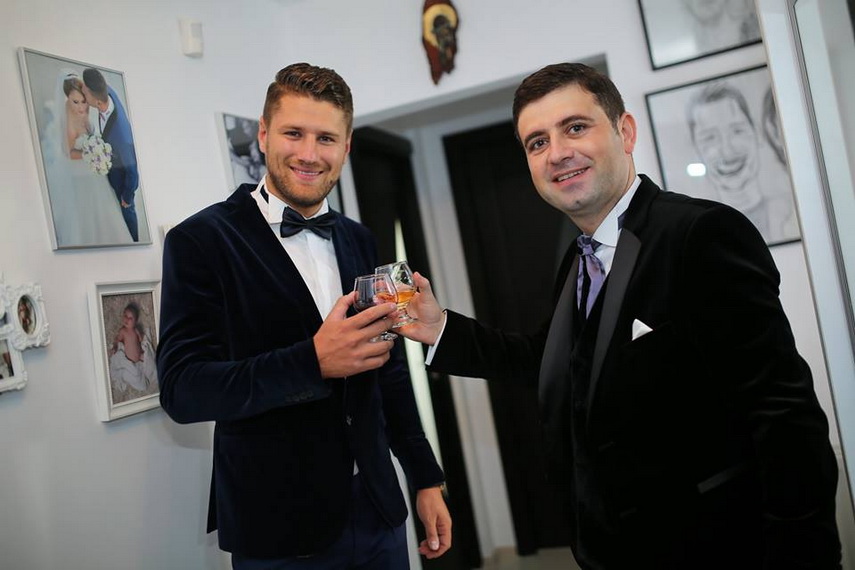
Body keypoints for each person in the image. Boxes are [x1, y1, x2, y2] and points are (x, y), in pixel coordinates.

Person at [400, 62, 841, 569]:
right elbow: (552, 361)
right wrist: (440, 328)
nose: (557, 153)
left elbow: (784, 416)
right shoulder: (577, 260)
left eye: (575, 127)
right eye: (537, 142)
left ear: (625, 132)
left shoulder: (700, 234)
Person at [157, 62, 451, 568]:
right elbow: (183, 390)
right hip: (278, 526)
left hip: (378, 512)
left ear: (346, 147)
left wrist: (424, 476)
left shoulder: (360, 238)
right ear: (264, 134)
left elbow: (390, 369)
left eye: (326, 138)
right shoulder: (200, 241)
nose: (310, 154)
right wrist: (311, 362)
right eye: (294, 133)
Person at [687, 80, 796, 243]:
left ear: (756, 133)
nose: (727, 150)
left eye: (737, 131)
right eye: (710, 138)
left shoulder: (793, 212)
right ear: (696, 149)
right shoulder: (699, 235)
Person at [44, 71, 132, 247]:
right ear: (68, 100)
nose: (81, 107)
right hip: (81, 179)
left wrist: (99, 153)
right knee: (88, 218)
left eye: (83, 101)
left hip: (94, 176)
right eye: (75, 102)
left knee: (106, 215)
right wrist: (91, 155)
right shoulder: (68, 123)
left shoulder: (85, 115)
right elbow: (68, 153)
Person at [82, 67, 141, 242]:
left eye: (85, 91)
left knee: (127, 215)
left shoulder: (121, 134)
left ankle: (135, 242)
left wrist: (127, 197)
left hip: (123, 183)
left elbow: (132, 171)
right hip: (113, 170)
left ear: (97, 102)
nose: (83, 91)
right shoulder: (106, 91)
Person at [109, 301, 157, 395]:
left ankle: (150, 374)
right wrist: (115, 346)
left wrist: (144, 346)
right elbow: (117, 340)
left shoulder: (136, 330)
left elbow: (141, 340)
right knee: (136, 374)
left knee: (150, 363)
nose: (127, 319)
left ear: (135, 321)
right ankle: (130, 376)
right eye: (125, 316)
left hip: (139, 358)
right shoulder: (123, 331)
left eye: (130, 318)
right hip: (129, 360)